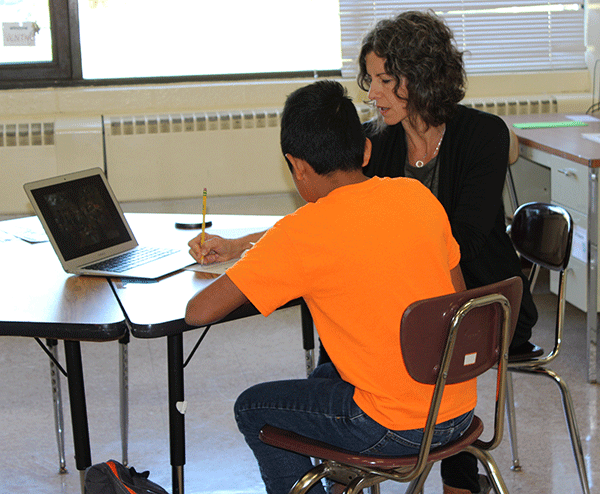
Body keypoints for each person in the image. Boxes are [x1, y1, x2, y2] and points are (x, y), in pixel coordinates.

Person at [188, 11, 540, 494]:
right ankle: (347, 476)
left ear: (418, 77)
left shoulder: (481, 135)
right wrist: (237, 245)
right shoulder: (383, 152)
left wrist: (375, 253)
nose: (371, 93)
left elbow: (463, 239)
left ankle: (452, 479)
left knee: (313, 370)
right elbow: (334, 224)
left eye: (383, 80)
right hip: (439, 357)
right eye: (369, 80)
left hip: (482, 308)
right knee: (339, 358)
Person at [185, 80, 474, 494]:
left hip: (393, 426)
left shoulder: (302, 233)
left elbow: (199, 312)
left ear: (297, 165)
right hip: (458, 409)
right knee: (325, 376)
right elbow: (458, 295)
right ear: (366, 150)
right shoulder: (418, 197)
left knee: (253, 407)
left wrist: (254, 258)